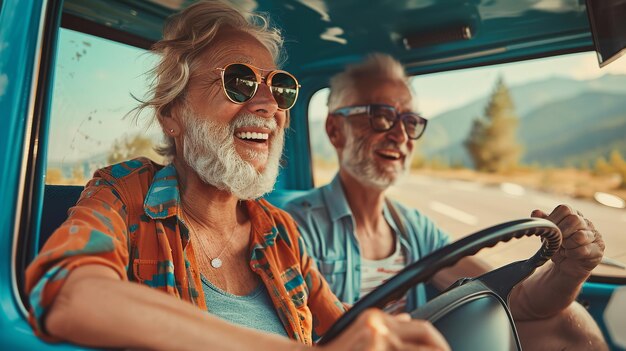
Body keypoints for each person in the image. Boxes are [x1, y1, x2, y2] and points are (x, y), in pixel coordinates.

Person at [25, 4, 450, 351]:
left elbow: (345, 327)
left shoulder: (279, 231)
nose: (269, 105)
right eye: (240, 82)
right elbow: (69, 296)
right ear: (172, 115)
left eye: (279, 88)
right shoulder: (124, 194)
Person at [284, 53, 608, 350]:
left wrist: (569, 271)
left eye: (409, 122)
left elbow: (513, 299)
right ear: (335, 130)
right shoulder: (294, 228)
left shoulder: (415, 228)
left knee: (569, 321)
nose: (399, 135)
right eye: (380, 117)